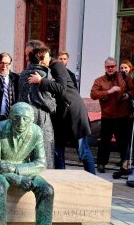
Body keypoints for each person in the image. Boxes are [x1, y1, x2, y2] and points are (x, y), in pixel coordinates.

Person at [0, 102, 56, 225]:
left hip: (25, 169)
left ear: (31, 120)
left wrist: (17, 169)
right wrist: (17, 179)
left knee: (47, 190)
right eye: (17, 118)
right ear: (10, 118)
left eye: (25, 119)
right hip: (1, 170)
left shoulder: (37, 132)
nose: (21, 123)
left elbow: (40, 163)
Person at [27, 40, 94, 174]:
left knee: (83, 152)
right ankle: (59, 178)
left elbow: (61, 88)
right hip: (60, 116)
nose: (30, 58)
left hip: (73, 112)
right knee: (58, 152)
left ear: (41, 53)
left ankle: (93, 179)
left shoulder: (57, 65)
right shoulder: (47, 67)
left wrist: (41, 81)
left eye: (30, 54)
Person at [90, 57, 133, 173]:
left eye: (112, 66)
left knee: (124, 142)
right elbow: (93, 94)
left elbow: (133, 90)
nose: (110, 69)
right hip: (107, 116)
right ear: (105, 67)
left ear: (115, 66)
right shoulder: (99, 80)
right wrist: (109, 91)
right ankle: (101, 164)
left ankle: (125, 165)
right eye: (108, 67)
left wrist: (128, 95)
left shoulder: (124, 77)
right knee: (105, 142)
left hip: (123, 115)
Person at [19, 47, 56, 169]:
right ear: (40, 61)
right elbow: (45, 97)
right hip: (41, 115)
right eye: (47, 57)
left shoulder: (23, 74)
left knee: (25, 149)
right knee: (44, 149)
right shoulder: (45, 74)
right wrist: (53, 106)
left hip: (24, 116)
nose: (49, 59)